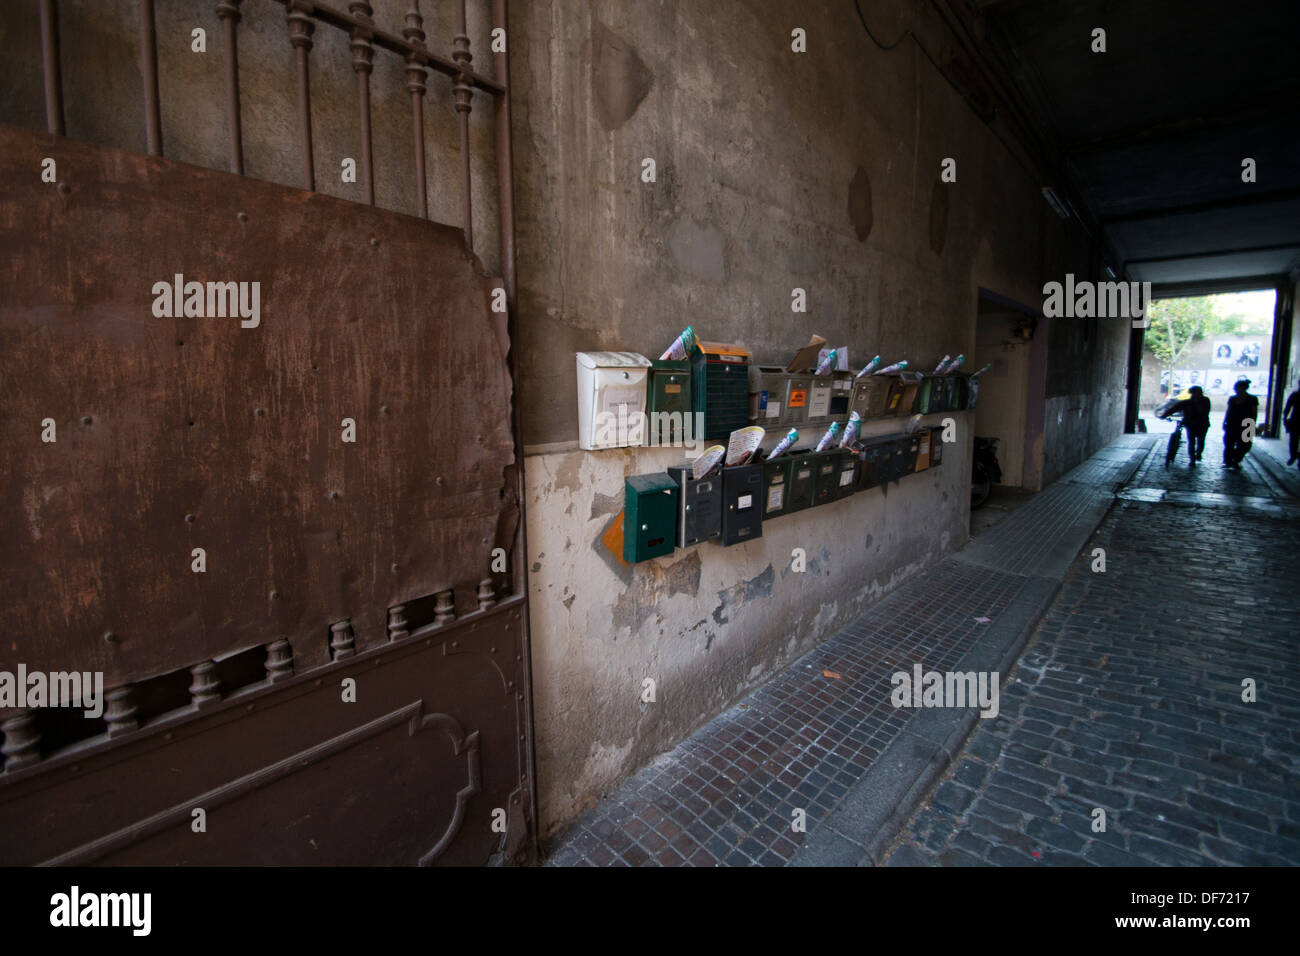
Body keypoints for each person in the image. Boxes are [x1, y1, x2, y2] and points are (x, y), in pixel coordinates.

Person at [1164, 385, 1211, 465]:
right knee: (1191, 442)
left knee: (1201, 441)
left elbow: (1205, 411)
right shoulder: (1187, 402)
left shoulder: (1205, 401)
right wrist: (1165, 415)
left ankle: (1198, 454)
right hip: (1191, 425)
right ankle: (1192, 458)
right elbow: (1175, 408)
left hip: (1202, 424)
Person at [1222, 379, 1259, 470]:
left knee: (1245, 445)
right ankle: (1228, 461)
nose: (1236, 390)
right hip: (1232, 424)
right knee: (1229, 444)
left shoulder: (1252, 399)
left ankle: (1236, 460)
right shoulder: (1232, 398)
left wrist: (1252, 425)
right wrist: (1225, 421)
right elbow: (1228, 411)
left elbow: (1254, 413)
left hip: (1246, 425)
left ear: (1243, 388)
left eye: (1237, 388)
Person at [1285, 386, 1300, 467]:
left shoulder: (1295, 395)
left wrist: (1285, 419)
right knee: (1293, 441)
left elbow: (1287, 408)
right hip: (1295, 421)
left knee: (1293, 441)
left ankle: (1294, 456)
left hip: (1295, 420)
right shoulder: (1295, 395)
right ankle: (1294, 456)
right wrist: (1285, 419)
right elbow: (1287, 408)